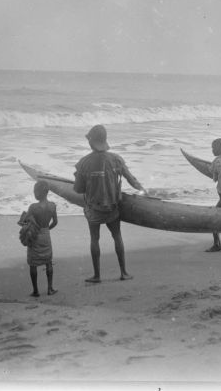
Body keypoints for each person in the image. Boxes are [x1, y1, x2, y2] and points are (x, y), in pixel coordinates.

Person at [74, 124, 147, 283]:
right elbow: (131, 179)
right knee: (117, 236)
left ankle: (97, 276)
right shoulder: (116, 159)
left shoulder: (83, 163)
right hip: (112, 207)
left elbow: (78, 189)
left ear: (91, 142)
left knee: (94, 239)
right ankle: (123, 272)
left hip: (93, 208)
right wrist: (142, 190)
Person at [26, 181, 58, 296]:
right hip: (46, 235)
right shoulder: (52, 206)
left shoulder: (33, 207)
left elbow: (26, 222)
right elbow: (55, 222)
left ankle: (35, 291)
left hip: (34, 236)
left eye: (35, 191)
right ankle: (50, 289)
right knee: (48, 262)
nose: (34, 193)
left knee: (33, 263)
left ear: (40, 192)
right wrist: (47, 229)